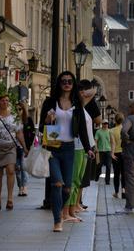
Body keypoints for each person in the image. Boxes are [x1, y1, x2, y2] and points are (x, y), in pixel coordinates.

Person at [39, 72, 84, 232]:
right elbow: (41, 128)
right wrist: (47, 122)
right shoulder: (51, 102)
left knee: (67, 189)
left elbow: (83, 129)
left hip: (69, 149)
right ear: (59, 83)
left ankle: (57, 208)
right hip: (53, 148)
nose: (66, 84)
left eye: (70, 81)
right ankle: (57, 221)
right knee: (57, 184)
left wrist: (89, 148)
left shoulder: (77, 104)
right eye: (63, 81)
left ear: (73, 84)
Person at [0, 91, 26, 211]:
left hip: (10, 147)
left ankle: (10, 199)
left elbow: (19, 132)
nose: (5, 102)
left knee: (10, 170)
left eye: (7, 100)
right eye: (3, 100)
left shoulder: (13, 116)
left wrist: (24, 146)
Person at [68, 80, 97, 219]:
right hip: (75, 146)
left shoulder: (82, 106)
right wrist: (78, 92)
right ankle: (68, 210)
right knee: (74, 180)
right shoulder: (73, 106)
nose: (83, 94)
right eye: (79, 91)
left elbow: (94, 91)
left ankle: (73, 208)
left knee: (78, 180)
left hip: (84, 147)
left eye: (82, 91)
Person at [17, 104, 33, 197]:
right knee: (17, 169)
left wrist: (30, 146)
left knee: (23, 167)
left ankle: (25, 187)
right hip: (14, 147)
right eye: (17, 109)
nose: (18, 111)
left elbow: (32, 133)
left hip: (25, 147)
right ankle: (20, 187)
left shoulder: (28, 120)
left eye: (20, 109)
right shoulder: (13, 120)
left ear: (23, 110)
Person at [110, 115, 124, 198]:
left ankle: (116, 192)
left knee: (116, 173)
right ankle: (124, 191)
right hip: (125, 153)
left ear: (115, 120)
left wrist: (112, 154)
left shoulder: (111, 131)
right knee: (124, 173)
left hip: (116, 154)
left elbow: (113, 144)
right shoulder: (125, 129)